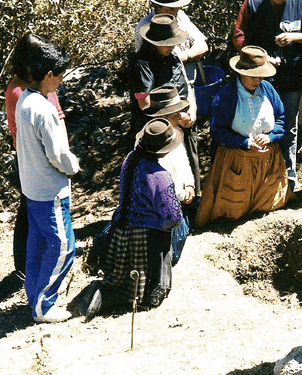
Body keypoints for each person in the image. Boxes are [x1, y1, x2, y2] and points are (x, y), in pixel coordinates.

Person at [80, 118, 183, 319]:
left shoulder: (130, 160)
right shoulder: (160, 176)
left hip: (121, 228)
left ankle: (109, 290)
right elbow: (172, 216)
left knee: (122, 274)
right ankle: (129, 297)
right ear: (164, 150)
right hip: (145, 239)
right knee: (145, 291)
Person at [15, 42, 79, 323]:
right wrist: (73, 166)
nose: (62, 80)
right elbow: (58, 155)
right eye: (60, 75)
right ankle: (44, 306)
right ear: (49, 74)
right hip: (50, 191)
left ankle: (34, 295)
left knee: (38, 246)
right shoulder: (44, 108)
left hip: (32, 188)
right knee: (64, 247)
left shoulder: (23, 100)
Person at [194, 46, 290, 227]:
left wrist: (271, 137)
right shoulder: (226, 95)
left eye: (261, 76)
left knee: (269, 201)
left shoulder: (268, 90)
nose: (258, 80)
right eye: (254, 76)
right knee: (233, 207)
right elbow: (217, 131)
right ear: (241, 73)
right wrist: (245, 142)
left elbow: (282, 118)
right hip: (236, 158)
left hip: (268, 159)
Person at [232, 0, 302, 191]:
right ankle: (262, 180)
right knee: (259, 125)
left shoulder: (301, 3)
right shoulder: (252, 4)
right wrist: (258, 59)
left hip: (293, 75)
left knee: (288, 128)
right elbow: (238, 35)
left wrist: (295, 37)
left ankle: (288, 180)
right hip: (260, 78)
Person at [4, 33, 66, 283]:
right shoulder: (19, 90)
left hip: (52, 152)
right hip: (31, 157)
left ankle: (40, 259)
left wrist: (65, 155)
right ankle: (23, 265)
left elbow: (58, 116)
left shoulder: (43, 80)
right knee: (28, 210)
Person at [133, 13, 201, 196]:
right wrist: (176, 118)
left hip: (184, 117)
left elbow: (186, 83)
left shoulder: (173, 56)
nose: (172, 46)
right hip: (162, 125)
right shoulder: (142, 62)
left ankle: (193, 202)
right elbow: (143, 101)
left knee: (189, 163)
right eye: (168, 43)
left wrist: (192, 108)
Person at [144, 85, 195, 265]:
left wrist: (189, 184)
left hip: (177, 198)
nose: (180, 118)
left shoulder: (175, 133)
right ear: (163, 117)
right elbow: (163, 180)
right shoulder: (154, 139)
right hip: (162, 206)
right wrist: (182, 195)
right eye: (175, 115)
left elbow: (184, 161)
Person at [135, 0, 209, 83]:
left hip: (189, 80)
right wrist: (191, 55)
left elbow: (202, 45)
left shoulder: (180, 16)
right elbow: (146, 63)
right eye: (172, 8)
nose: (177, 9)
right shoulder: (145, 27)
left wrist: (184, 57)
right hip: (165, 84)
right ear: (158, 7)